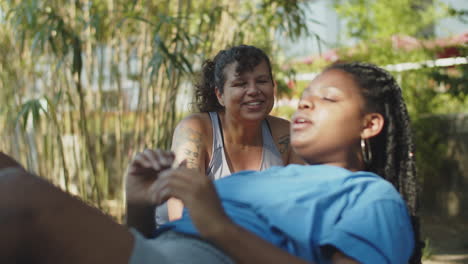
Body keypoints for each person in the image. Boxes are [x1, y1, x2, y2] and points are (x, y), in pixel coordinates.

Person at [0, 62, 422, 264]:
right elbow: (148, 244)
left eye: (328, 98)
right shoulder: (275, 176)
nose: (306, 101)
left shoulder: (370, 195)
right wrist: (140, 204)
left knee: (19, 199)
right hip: (164, 249)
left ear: (370, 124)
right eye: (307, 94)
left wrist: (218, 226)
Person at [156, 44, 303, 225]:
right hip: (186, 243)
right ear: (220, 95)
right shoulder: (196, 130)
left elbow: (300, 209)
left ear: (273, 86)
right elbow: (181, 216)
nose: (253, 90)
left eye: (262, 81)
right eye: (240, 84)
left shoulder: (285, 135)